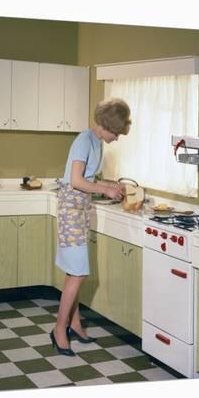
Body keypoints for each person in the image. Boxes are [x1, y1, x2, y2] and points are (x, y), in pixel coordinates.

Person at [50, 98, 132, 356]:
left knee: (75, 271)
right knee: (78, 273)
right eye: (116, 132)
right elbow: (75, 180)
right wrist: (104, 189)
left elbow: (88, 178)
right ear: (105, 125)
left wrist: (110, 183)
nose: (117, 138)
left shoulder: (96, 142)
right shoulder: (83, 140)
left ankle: (74, 322)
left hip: (80, 210)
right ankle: (59, 329)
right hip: (71, 209)